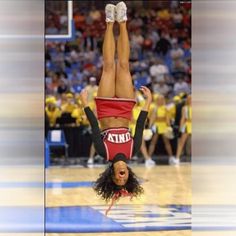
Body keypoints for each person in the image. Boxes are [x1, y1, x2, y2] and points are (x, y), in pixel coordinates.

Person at [80, 2, 152, 210]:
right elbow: (139, 125)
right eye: (124, 180)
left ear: (112, 174)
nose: (121, 178)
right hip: (124, 107)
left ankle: (110, 23)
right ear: (128, 174)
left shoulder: (104, 152)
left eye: (117, 180)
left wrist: (86, 105)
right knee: (124, 65)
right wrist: (147, 103)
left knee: (109, 66)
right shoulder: (133, 149)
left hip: (104, 108)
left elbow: (94, 127)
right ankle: (123, 22)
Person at [175, 94, 191, 164]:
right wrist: (181, 128)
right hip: (187, 125)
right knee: (182, 142)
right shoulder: (185, 108)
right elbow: (182, 118)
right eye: (189, 98)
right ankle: (177, 158)